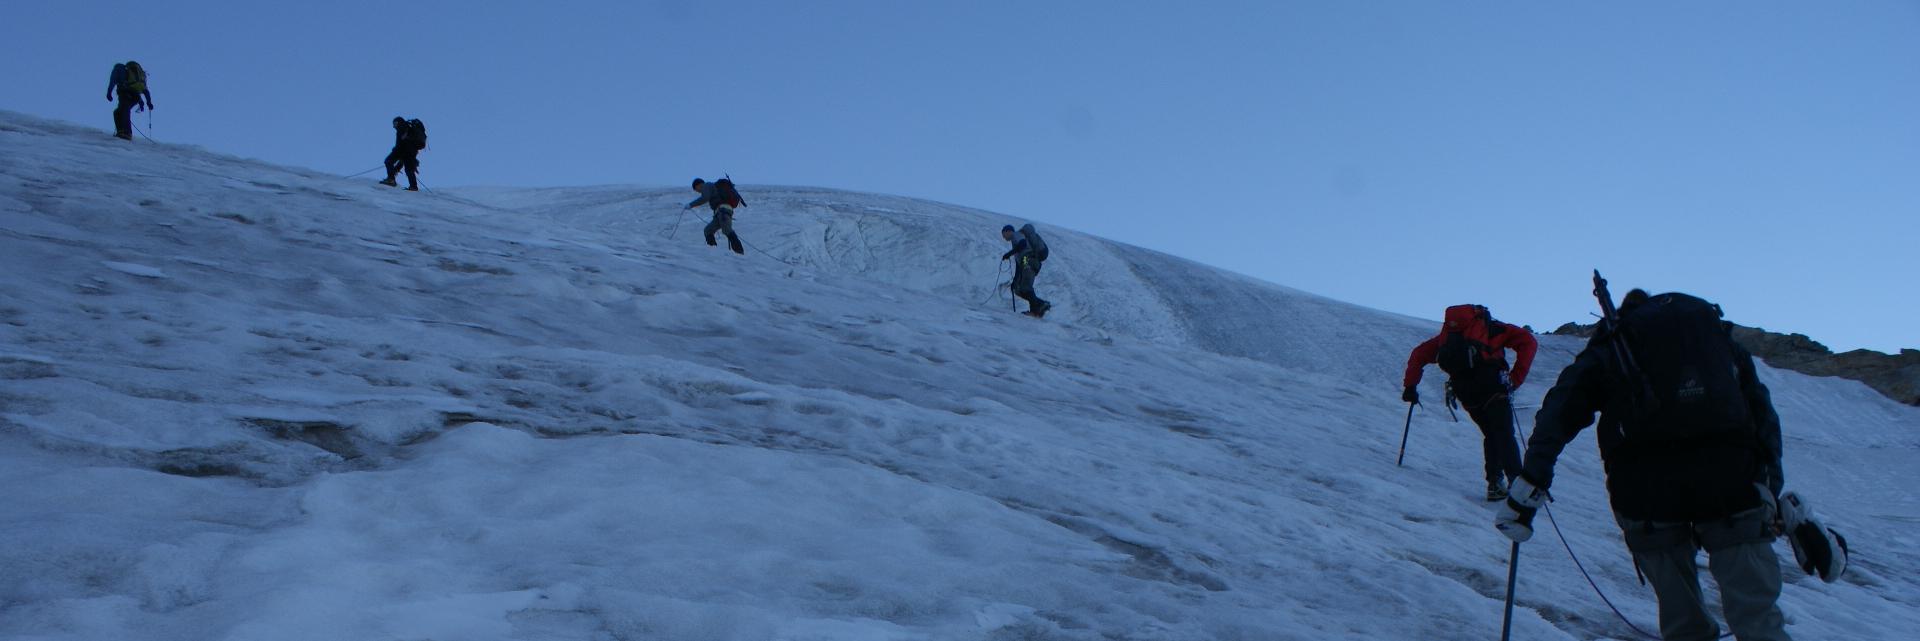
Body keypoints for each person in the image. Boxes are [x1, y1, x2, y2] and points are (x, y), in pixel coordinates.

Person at [1494, 289, 1796, 641]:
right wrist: (1768, 488)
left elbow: (1559, 412)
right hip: (1731, 482)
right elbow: (1763, 414)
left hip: (1646, 494)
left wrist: (1532, 480)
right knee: (1757, 618)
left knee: (1684, 624)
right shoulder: (1711, 341)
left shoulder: (1614, 345)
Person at [1402, 304, 1537, 500]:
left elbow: (1419, 354)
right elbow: (1528, 341)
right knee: (1504, 433)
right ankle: (1517, 484)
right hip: (1493, 388)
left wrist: (1410, 387)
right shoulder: (1492, 329)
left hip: (1466, 393)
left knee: (1492, 433)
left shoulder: (1447, 337)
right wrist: (1516, 378)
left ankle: (1495, 484)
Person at [1000, 224, 1052, 317]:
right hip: (1028, 261)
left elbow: (1023, 244)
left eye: (1004, 234)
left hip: (1028, 260)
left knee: (1026, 287)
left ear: (1008, 231)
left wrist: (1009, 254)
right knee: (1019, 290)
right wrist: (1014, 282)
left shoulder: (1016, 234)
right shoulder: (1015, 243)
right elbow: (1019, 266)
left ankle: (1035, 311)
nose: (1004, 238)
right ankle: (1040, 305)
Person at [685, 177, 746, 254]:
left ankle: (740, 252)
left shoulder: (706, 185)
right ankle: (713, 252)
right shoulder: (711, 187)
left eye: (696, 189)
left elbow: (705, 198)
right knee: (708, 230)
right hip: (721, 212)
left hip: (723, 211)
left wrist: (691, 205)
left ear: (698, 185)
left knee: (727, 230)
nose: (698, 192)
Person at [106, 61, 153, 141]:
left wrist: (109, 92)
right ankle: (122, 132)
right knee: (119, 111)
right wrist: (147, 102)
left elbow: (113, 81)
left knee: (123, 110)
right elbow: (144, 91)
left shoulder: (118, 69)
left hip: (125, 93)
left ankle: (126, 133)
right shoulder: (137, 76)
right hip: (135, 97)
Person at [380, 117, 427, 191]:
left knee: (388, 161)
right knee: (409, 170)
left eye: (395, 124)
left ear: (399, 122)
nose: (394, 126)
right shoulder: (407, 128)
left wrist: (395, 150)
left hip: (403, 151)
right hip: (411, 152)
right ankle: (413, 187)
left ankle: (391, 179)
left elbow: (400, 143)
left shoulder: (402, 128)